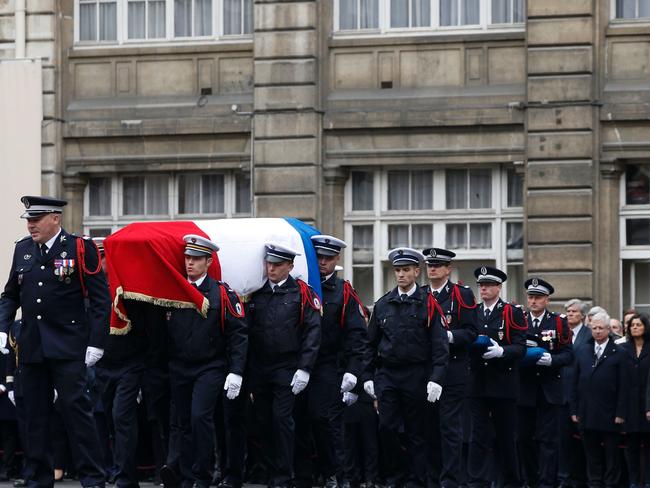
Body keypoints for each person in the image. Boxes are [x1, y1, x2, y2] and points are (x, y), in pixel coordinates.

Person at [0, 196, 109, 488]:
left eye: (36, 219)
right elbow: (10, 294)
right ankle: (38, 478)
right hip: (32, 345)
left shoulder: (79, 247)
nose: (30, 224)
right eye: (28, 219)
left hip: (68, 345)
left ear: (55, 219)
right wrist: (2, 327)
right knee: (35, 415)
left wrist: (97, 342)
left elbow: (100, 300)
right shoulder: (23, 249)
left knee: (77, 413)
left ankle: (93, 478)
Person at [161, 235, 248, 488]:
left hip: (210, 366)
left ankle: (203, 473)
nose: (190, 263)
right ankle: (187, 475)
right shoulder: (173, 289)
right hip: (179, 366)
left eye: (196, 259)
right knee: (183, 421)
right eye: (187, 258)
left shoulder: (221, 293)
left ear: (208, 262)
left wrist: (236, 371)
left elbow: (238, 334)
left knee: (201, 417)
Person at [366, 247, 449, 488]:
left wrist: (437, 378)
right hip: (389, 374)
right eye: (397, 270)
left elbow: (440, 344)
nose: (400, 275)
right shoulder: (383, 304)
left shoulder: (429, 304)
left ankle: (416, 479)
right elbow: (369, 344)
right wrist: (367, 375)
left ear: (416, 271)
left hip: (417, 374)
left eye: (405, 270)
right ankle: (395, 476)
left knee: (417, 432)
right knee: (387, 428)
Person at [293, 235, 370, 488]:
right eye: (319, 257)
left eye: (328, 258)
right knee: (298, 418)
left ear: (337, 259)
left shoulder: (343, 291)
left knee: (324, 419)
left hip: (329, 364)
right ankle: (305, 474)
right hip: (299, 363)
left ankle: (335, 473)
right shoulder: (302, 286)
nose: (323, 262)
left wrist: (353, 371)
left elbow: (357, 335)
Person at [246, 243, 321, 488]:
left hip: (287, 366)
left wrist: (305, 367)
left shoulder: (300, 293)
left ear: (290, 266)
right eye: (269, 264)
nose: (271, 269)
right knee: (262, 420)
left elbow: (312, 331)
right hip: (260, 366)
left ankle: (284, 475)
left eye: (277, 265)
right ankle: (269, 471)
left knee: (282, 419)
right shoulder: (257, 293)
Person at [420, 247, 477, 488]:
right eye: (430, 265)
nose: (432, 268)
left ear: (448, 269)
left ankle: (450, 480)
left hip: (453, 371)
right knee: (428, 428)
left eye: (438, 265)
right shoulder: (421, 294)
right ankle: (432, 478)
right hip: (426, 370)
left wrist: (447, 337)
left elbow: (472, 332)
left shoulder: (461, 295)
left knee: (450, 429)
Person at [466, 266, 526, 488]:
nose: (483, 288)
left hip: (503, 382)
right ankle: (477, 481)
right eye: (481, 285)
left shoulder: (511, 312)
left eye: (489, 285)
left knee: (506, 437)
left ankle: (511, 481)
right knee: (477, 436)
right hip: (478, 382)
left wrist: (503, 352)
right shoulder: (472, 311)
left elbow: (521, 347)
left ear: (499, 288)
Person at [517, 278, 573, 488]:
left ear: (546, 299)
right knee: (524, 439)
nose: (533, 301)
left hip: (550, 389)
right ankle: (530, 480)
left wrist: (553, 360)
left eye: (538, 298)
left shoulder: (558, 322)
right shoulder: (519, 320)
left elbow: (569, 354)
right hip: (525, 389)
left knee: (549, 441)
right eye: (531, 297)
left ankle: (547, 482)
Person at [570, 311, 627, 488]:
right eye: (594, 328)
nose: (597, 331)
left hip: (610, 413)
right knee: (591, 454)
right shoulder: (583, 350)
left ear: (609, 329)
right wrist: (574, 410)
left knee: (611, 455)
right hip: (586, 412)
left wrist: (620, 412)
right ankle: (594, 483)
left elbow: (624, 386)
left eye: (601, 328)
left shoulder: (619, 352)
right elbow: (574, 382)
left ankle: (611, 484)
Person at [559, 299, 591, 488]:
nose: (570, 314)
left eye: (574, 311)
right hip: (561, 393)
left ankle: (583, 477)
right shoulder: (561, 333)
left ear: (582, 315)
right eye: (568, 311)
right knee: (563, 440)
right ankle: (565, 477)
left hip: (581, 395)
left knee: (583, 441)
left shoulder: (589, 335)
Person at [623, 314, 650, 488]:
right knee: (631, 445)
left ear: (645, 327)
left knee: (648, 446)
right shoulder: (623, 349)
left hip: (646, 404)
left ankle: (647, 481)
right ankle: (633, 481)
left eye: (638, 325)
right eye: (632, 325)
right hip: (629, 405)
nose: (634, 327)